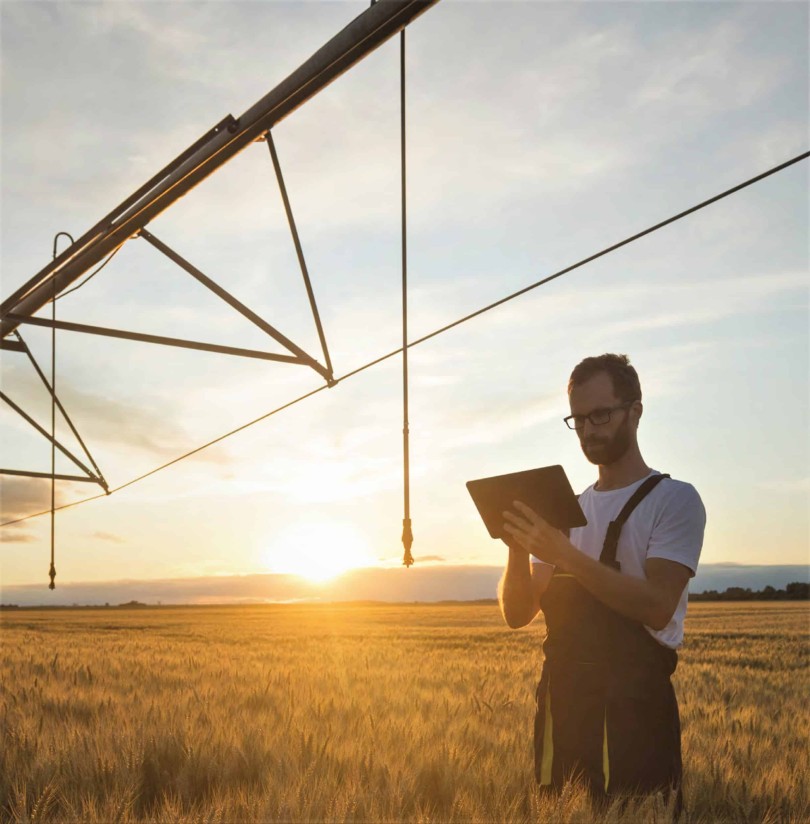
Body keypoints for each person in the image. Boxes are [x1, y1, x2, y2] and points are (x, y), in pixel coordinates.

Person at [498, 353, 705, 817]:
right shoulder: (563, 510)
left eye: (601, 415)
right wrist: (516, 544)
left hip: (634, 711)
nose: (589, 430)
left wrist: (563, 553)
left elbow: (657, 605)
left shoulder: (674, 500)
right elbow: (517, 614)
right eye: (579, 419)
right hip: (562, 709)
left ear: (635, 410)